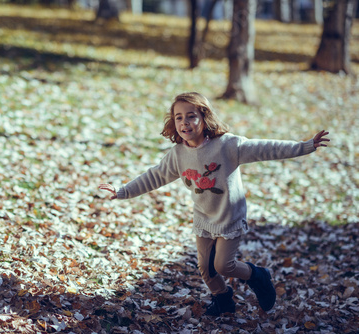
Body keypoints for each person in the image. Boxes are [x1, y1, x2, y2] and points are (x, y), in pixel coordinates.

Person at [99, 92, 330, 316]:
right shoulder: (178, 154)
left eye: (191, 116)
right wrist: (123, 191)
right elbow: (155, 176)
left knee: (223, 266)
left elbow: (266, 148)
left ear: (204, 117)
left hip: (229, 217)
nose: (184, 122)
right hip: (204, 218)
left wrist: (305, 146)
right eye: (178, 117)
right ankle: (223, 301)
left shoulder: (227, 145)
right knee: (206, 270)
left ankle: (257, 275)